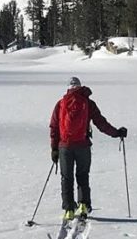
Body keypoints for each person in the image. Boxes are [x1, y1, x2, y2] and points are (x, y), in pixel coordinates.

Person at [50, 76, 127, 221]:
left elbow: (54, 128)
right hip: (83, 146)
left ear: (68, 88)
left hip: (65, 146)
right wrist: (116, 133)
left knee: (66, 177)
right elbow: (101, 123)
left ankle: (68, 209)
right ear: (80, 87)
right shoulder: (88, 103)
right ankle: (83, 205)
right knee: (82, 175)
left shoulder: (60, 104)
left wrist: (54, 149)